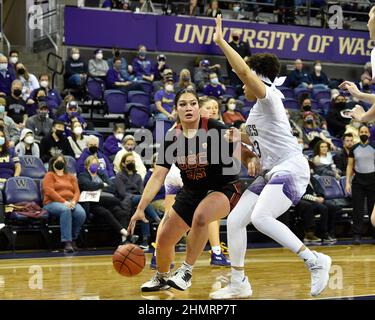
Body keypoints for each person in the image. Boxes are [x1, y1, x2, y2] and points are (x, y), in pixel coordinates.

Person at [210, 15, 331, 299]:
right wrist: (242, 143)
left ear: (257, 77)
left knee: (261, 217)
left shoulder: (270, 97)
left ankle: (315, 261)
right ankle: (239, 282)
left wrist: (221, 42)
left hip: (291, 167)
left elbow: (243, 72)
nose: (241, 85)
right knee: (237, 220)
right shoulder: (254, 112)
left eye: (247, 78)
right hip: (271, 170)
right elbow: (256, 143)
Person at [128, 88, 242, 292]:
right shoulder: (173, 138)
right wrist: (140, 208)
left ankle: (186, 271)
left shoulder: (214, 128)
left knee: (201, 217)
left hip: (224, 188)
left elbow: (242, 141)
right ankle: (162, 278)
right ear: (176, 110)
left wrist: (250, 155)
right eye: (183, 104)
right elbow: (157, 176)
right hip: (192, 190)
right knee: (163, 239)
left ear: (199, 108)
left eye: (192, 103)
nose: (188, 107)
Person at [78, 155, 130, 243]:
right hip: (93, 203)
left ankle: (123, 239)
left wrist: (96, 187)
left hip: (106, 201)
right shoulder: (82, 176)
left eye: (96, 164)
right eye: (92, 164)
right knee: (107, 210)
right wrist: (102, 185)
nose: (94, 166)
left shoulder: (101, 174)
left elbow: (112, 187)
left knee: (121, 212)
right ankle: (127, 234)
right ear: (87, 166)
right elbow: (87, 185)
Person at [115, 152, 161, 250]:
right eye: (128, 161)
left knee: (143, 209)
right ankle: (157, 219)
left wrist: (138, 201)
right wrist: (135, 195)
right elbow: (122, 193)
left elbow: (141, 191)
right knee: (141, 200)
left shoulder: (138, 176)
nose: (131, 163)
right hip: (125, 201)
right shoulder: (119, 175)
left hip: (138, 201)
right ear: (123, 163)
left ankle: (145, 241)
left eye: (132, 161)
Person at [43, 155, 86, 253]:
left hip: (70, 201)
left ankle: (73, 238)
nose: (60, 162)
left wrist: (74, 201)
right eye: (57, 161)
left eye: (62, 161)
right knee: (65, 210)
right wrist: (64, 202)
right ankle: (67, 242)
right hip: (52, 203)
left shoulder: (71, 176)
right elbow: (49, 191)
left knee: (81, 213)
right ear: (53, 163)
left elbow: (77, 192)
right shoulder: (49, 175)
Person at [345, 125, 375, 245]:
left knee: (373, 208)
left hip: (373, 180)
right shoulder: (354, 148)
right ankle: (357, 235)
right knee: (357, 209)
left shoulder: (374, 146)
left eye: (365, 132)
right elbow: (350, 165)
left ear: (369, 134)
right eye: (361, 131)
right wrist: (347, 181)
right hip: (358, 181)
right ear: (358, 133)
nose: (363, 133)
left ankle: (374, 234)